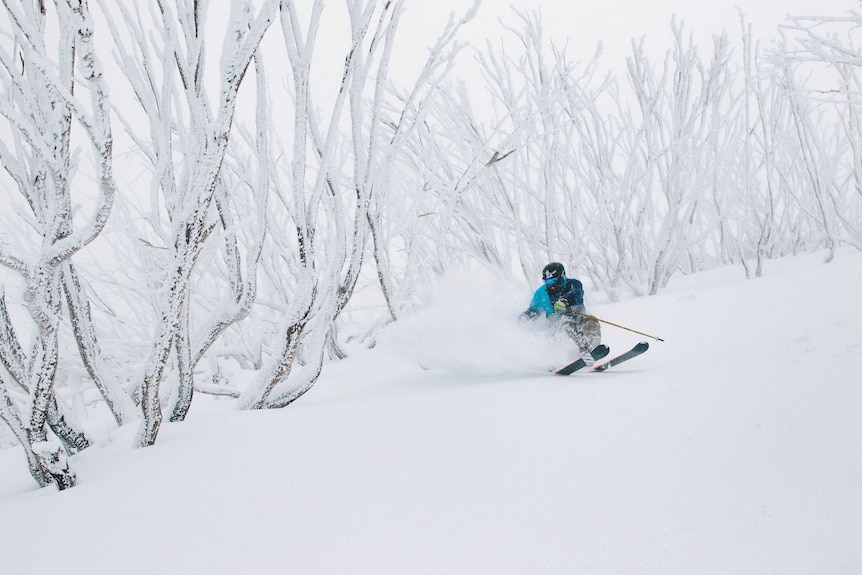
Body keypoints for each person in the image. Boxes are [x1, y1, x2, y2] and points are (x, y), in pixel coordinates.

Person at [521, 262, 602, 355]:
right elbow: (533, 311)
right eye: (547, 282)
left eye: (552, 281)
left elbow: (577, 293)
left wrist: (565, 301)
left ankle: (593, 350)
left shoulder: (573, 284)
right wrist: (521, 321)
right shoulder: (541, 294)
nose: (550, 285)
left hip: (579, 319)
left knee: (591, 321)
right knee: (566, 324)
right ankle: (562, 355)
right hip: (557, 325)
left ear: (562, 277)